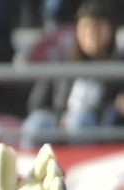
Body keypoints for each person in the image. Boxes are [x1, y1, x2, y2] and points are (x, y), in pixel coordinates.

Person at [20, 0, 124, 149]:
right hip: (58, 123)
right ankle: (35, 169)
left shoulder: (119, 65)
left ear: (111, 30)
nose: (91, 34)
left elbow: (114, 110)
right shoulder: (61, 61)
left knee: (80, 120)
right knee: (37, 124)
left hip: (96, 129)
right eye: (86, 27)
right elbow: (37, 102)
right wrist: (59, 119)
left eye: (98, 27)